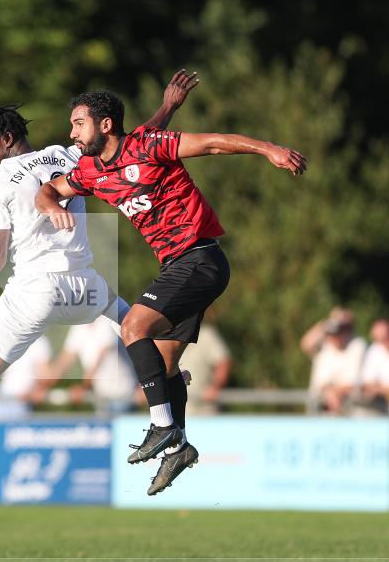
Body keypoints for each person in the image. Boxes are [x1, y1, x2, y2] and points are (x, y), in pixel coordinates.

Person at [0, 69, 197, 519]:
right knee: (130, 322)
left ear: (7, 137)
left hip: (37, 289)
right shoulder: (65, 155)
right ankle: (165, 377)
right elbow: (132, 149)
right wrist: (168, 105)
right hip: (85, 285)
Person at [35, 85, 306, 495]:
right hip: (178, 266)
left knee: (132, 328)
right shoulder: (92, 171)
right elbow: (49, 190)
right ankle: (178, 445)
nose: (71, 134)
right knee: (161, 366)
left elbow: (212, 144)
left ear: (105, 125)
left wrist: (269, 149)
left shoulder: (149, 145)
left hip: (200, 259)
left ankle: (161, 426)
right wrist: (52, 205)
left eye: (78, 123)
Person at [44, 315, 137, 413]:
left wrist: (82, 386)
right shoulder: (78, 326)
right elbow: (67, 357)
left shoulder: (107, 322)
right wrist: (44, 383)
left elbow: (101, 357)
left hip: (121, 392)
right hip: (101, 392)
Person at [301, 307, 367, 414]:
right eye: (331, 335)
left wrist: (334, 393)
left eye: (338, 333)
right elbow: (306, 343)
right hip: (320, 405)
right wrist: (329, 320)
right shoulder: (325, 347)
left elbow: (353, 382)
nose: (334, 338)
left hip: (346, 406)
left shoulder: (356, 346)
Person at [0, 334, 52, 421]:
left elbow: (44, 375)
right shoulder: (12, 336)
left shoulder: (39, 342)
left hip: (21, 400)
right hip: (3, 396)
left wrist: (34, 391)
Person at [180, 321, 232, 416]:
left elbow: (223, 362)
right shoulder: (161, 334)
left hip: (204, 411)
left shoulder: (206, 334)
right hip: (171, 414)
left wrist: (216, 386)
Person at [360, 318, 389, 416]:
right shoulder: (375, 350)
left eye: (387, 337)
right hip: (382, 399)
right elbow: (367, 382)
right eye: (380, 339)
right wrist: (384, 391)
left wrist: (383, 389)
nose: (385, 342)